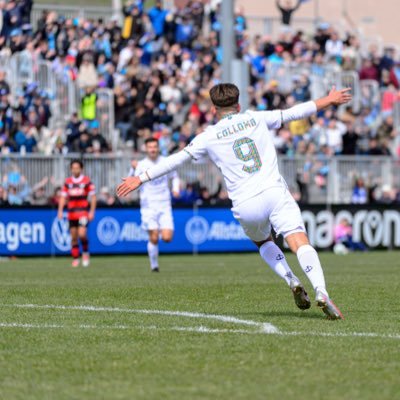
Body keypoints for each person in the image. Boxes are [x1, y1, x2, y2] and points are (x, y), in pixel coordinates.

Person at [117, 83, 352, 319]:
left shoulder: (208, 136)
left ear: (214, 109)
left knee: (263, 242)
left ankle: (291, 279)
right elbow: (295, 112)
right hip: (274, 191)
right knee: (298, 240)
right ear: (238, 104)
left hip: (245, 202)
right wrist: (328, 100)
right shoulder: (256, 118)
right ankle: (321, 291)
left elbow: (177, 160)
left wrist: (141, 177)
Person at [129, 138, 180, 272]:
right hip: (148, 205)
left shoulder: (165, 161)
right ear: (146, 149)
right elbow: (133, 181)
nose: (152, 149)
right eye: (150, 147)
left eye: (154, 147)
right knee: (154, 237)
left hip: (164, 204)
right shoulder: (141, 164)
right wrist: (131, 168)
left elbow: (174, 176)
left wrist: (176, 189)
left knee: (167, 238)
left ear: (158, 148)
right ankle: (154, 265)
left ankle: (156, 248)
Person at [58, 160, 97, 268]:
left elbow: (93, 198)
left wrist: (92, 212)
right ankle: (75, 258)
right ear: (71, 169)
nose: (75, 170)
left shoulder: (86, 181)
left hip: (83, 212)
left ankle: (85, 253)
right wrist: (60, 211)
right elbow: (63, 197)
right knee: (74, 237)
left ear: (81, 169)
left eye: (77, 168)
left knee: (82, 234)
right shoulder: (68, 182)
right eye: (73, 168)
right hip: (71, 213)